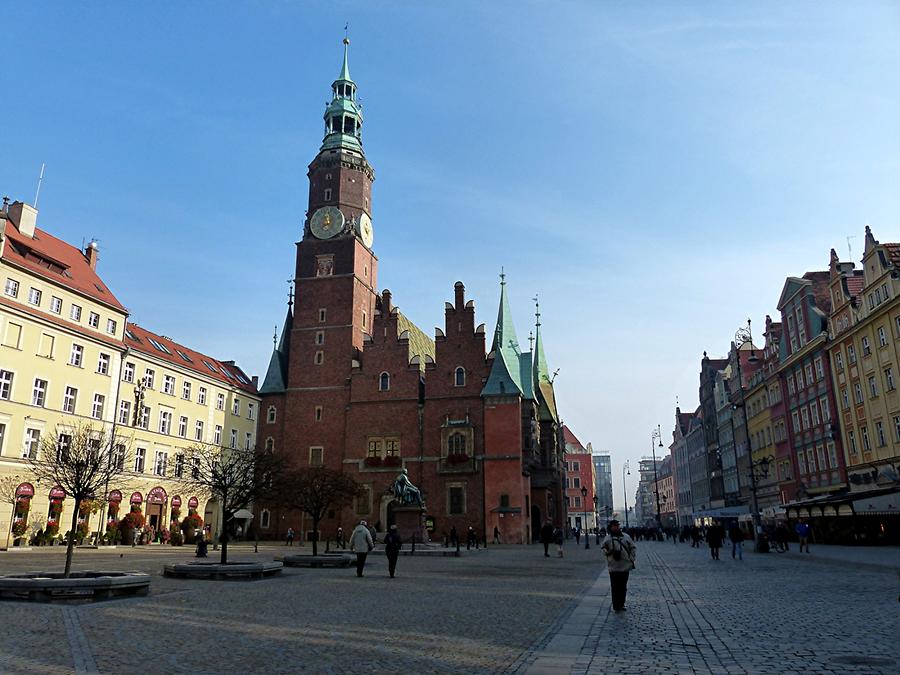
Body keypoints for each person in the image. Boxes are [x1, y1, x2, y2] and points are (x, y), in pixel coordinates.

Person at [601, 520, 636, 612]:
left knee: (623, 586)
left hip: (625, 565)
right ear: (611, 527)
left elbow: (633, 548)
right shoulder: (608, 538)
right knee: (615, 587)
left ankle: (622, 603)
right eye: (614, 526)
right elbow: (603, 548)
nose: (616, 527)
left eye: (617, 526)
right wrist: (608, 552)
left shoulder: (626, 537)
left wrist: (631, 558)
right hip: (613, 566)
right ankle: (616, 605)